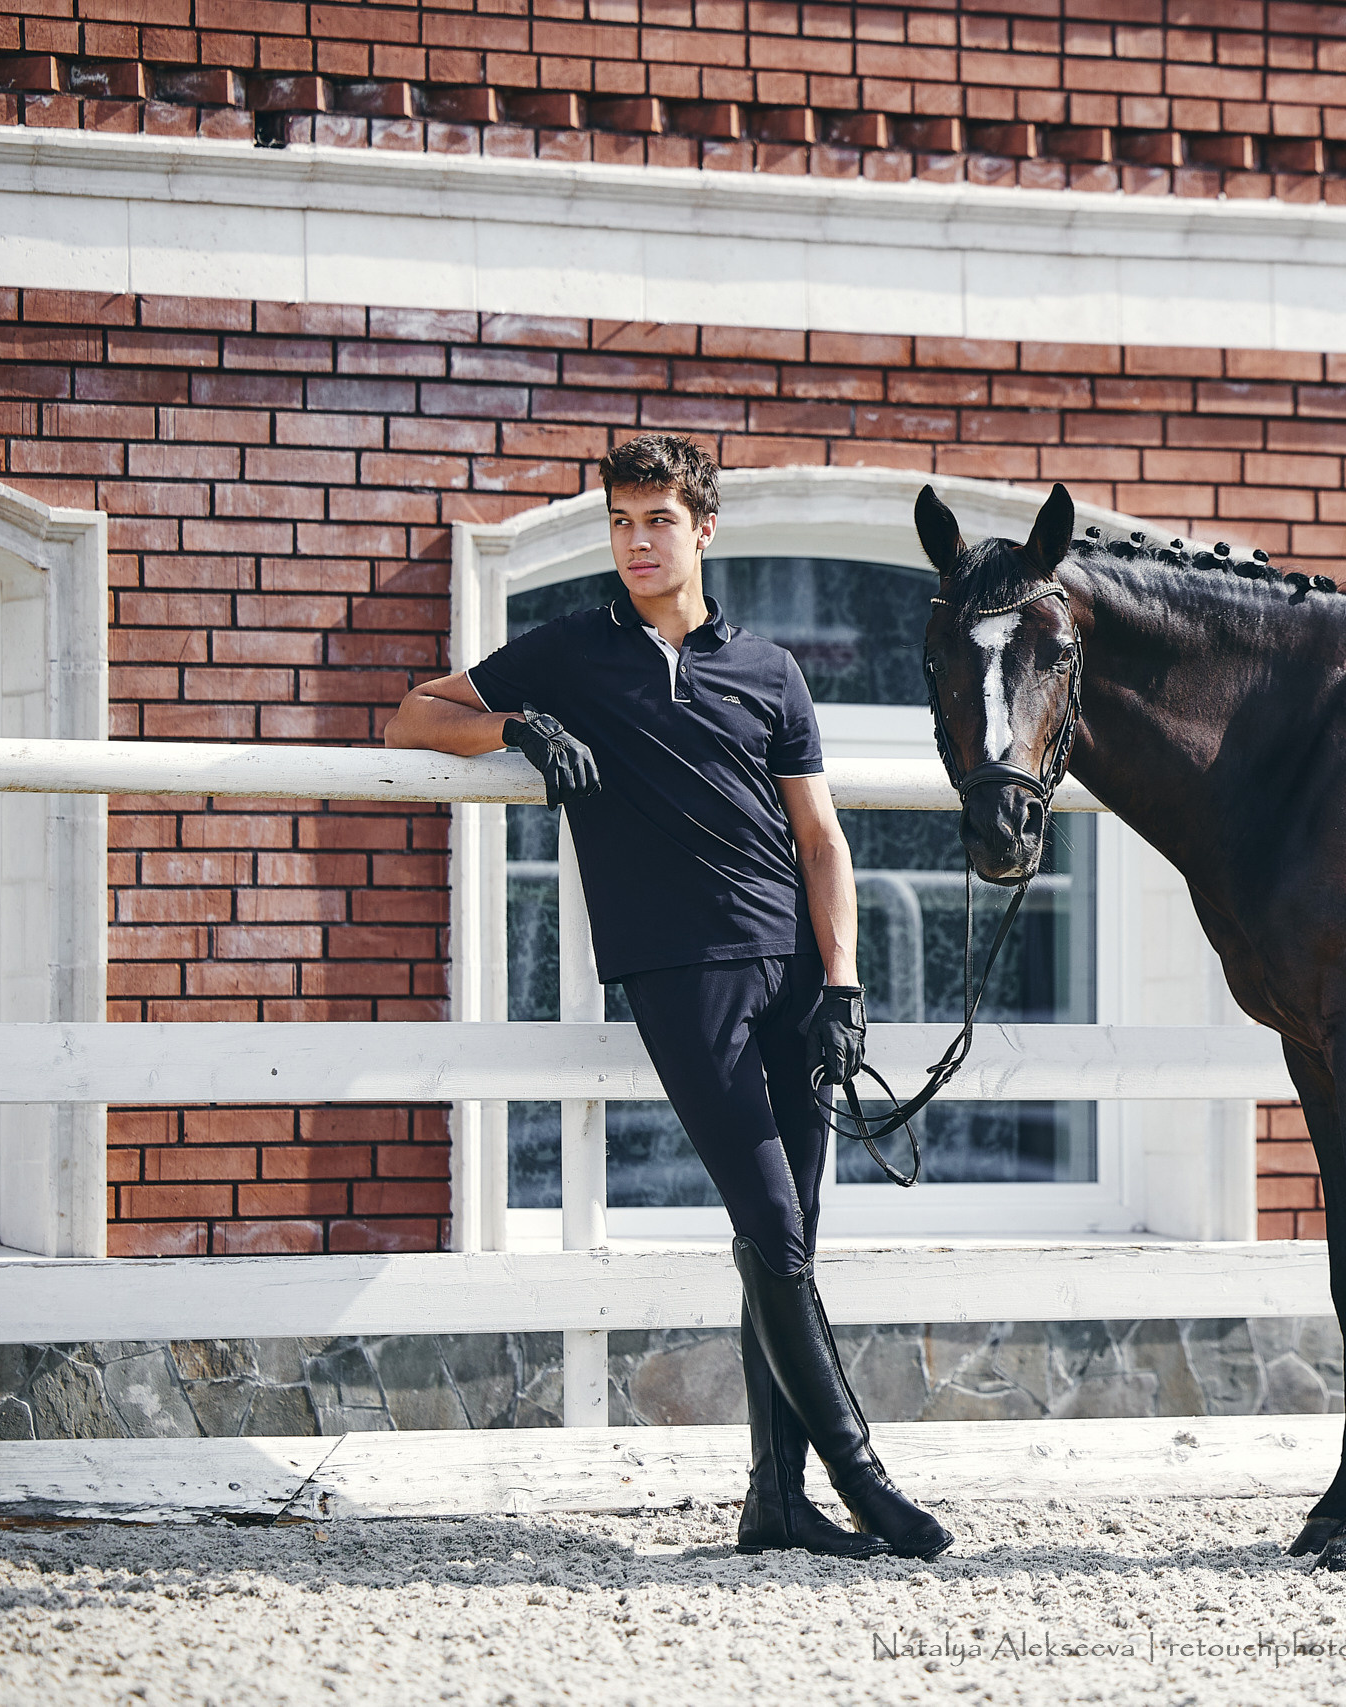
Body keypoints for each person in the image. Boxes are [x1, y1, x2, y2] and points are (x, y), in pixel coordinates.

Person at [383, 433, 951, 1562]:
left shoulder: (771, 671)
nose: (637, 542)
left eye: (658, 521)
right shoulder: (576, 651)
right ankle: (865, 1480)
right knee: (772, 1227)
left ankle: (776, 1505)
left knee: (789, 1236)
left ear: (703, 531)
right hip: (677, 973)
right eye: (621, 522)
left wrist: (844, 983)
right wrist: (517, 726)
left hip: (793, 971)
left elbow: (821, 838)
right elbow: (411, 717)